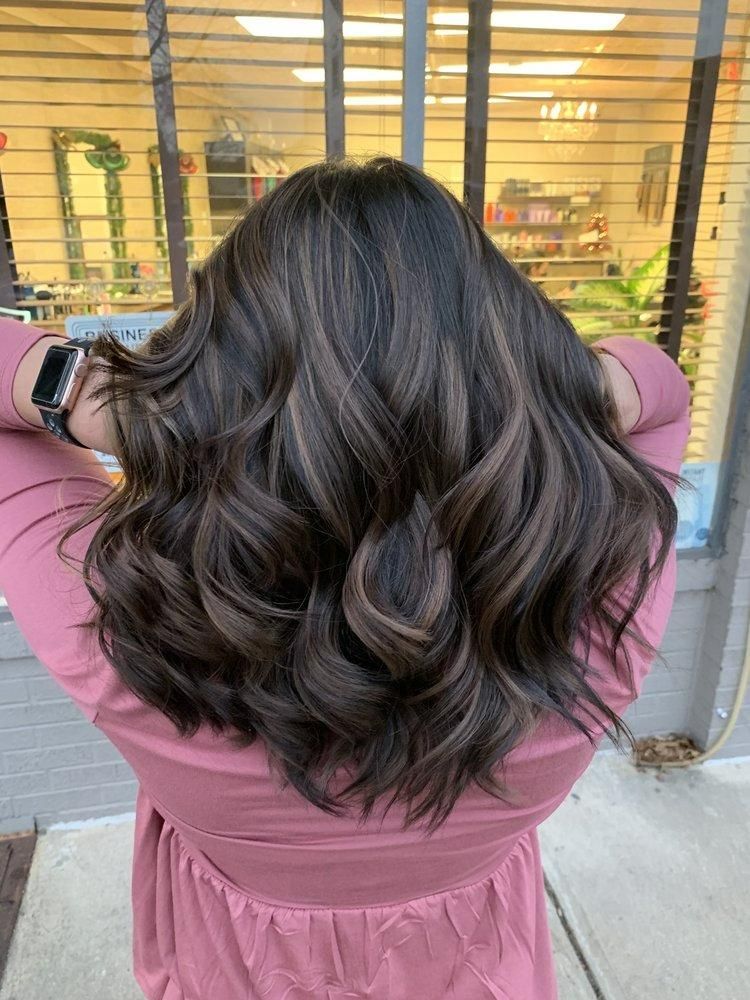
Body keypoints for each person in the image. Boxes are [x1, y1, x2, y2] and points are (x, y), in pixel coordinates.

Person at [0, 158, 689, 1000]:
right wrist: (548, 397)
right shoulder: (596, 635)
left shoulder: (118, 631)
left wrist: (125, 407)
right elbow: (660, 384)